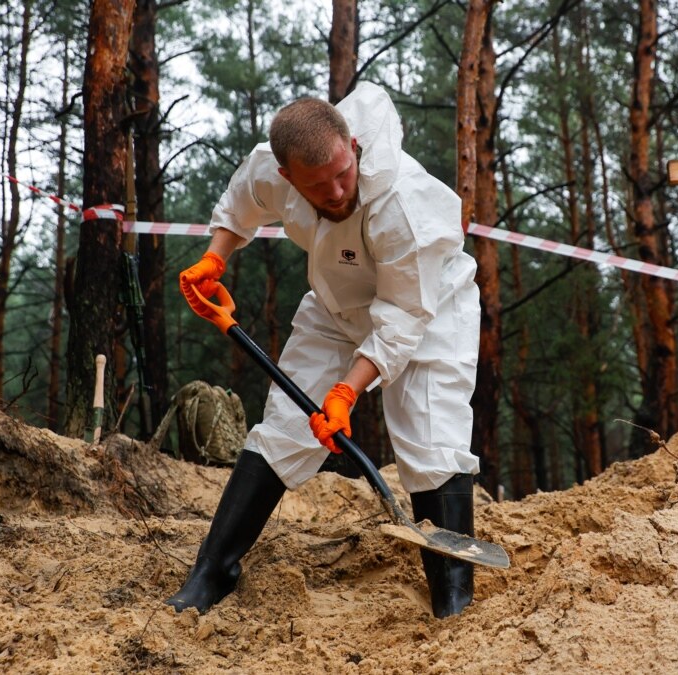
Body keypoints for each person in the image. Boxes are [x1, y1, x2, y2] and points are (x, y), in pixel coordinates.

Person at [169, 82, 482, 619]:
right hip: (336, 308)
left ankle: (452, 599)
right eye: (319, 185)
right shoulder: (273, 169)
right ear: (288, 177)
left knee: (431, 443)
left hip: (429, 309)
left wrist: (346, 391)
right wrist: (215, 259)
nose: (337, 192)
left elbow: (404, 316)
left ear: (353, 146)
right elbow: (242, 201)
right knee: (286, 428)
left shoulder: (404, 204)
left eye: (344, 174)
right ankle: (211, 573)